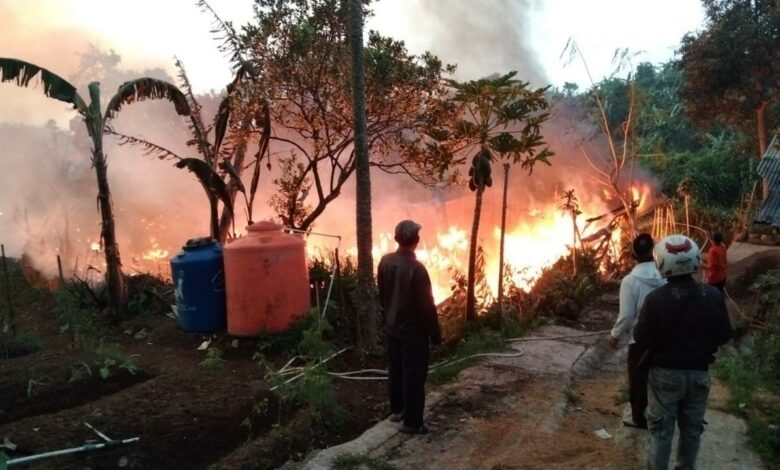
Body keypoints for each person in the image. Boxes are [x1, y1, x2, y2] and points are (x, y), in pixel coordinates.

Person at [634, 234, 733, 470]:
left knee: (661, 432)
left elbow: (641, 337)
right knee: (692, 431)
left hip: (665, 376)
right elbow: (725, 335)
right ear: (695, 260)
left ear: (662, 263)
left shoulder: (655, 300)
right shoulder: (712, 296)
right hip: (699, 375)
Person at [377, 219, 442, 435]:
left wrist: (388, 317)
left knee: (395, 370)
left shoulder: (385, 262)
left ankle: (398, 411)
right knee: (414, 376)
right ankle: (413, 423)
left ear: (396, 239)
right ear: (417, 240)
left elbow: (383, 296)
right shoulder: (417, 269)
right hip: (413, 333)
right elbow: (426, 307)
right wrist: (436, 335)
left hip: (393, 327)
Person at [607, 233, 666, 429]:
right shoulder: (664, 276)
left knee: (637, 378)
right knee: (661, 377)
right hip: (663, 335)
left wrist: (614, 335)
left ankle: (639, 418)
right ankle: (662, 415)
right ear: (654, 251)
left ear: (633, 254)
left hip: (640, 339)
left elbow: (627, 315)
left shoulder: (630, 281)